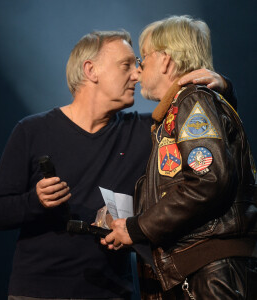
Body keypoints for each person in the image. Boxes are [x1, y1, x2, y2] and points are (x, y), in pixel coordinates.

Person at [0, 30, 235, 300]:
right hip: (39, 291)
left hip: (112, 291)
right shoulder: (32, 130)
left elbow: (212, 137)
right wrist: (36, 200)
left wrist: (222, 87)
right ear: (91, 70)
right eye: (126, 65)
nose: (137, 74)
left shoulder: (148, 131)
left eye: (137, 64)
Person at [101, 16, 257, 299]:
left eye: (143, 59)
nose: (138, 71)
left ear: (165, 60)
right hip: (203, 270)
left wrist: (138, 228)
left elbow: (208, 181)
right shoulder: (180, 109)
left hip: (210, 273)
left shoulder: (192, 101)